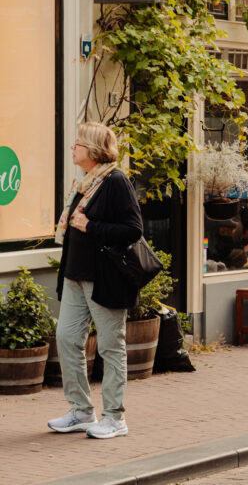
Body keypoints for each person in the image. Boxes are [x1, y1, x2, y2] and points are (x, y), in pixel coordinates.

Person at [48, 122, 143, 439]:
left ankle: (115, 418)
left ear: (92, 150)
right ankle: (81, 410)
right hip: (75, 276)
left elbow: (133, 230)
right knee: (66, 339)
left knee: (111, 346)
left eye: (77, 143)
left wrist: (91, 226)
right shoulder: (85, 182)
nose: (72, 148)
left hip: (104, 280)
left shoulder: (115, 182)